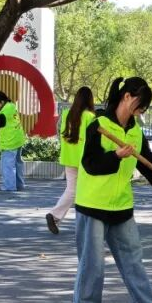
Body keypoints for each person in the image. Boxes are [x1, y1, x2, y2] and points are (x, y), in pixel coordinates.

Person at [72, 76, 152, 303]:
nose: (141, 111)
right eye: (139, 105)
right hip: (93, 203)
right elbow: (90, 164)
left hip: (121, 205)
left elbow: (150, 165)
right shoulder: (98, 124)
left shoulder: (135, 132)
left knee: (132, 259)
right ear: (127, 97)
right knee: (92, 262)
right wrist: (115, 155)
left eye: (144, 108)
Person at [47, 86, 95, 234]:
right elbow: (93, 139)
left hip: (68, 157)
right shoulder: (90, 117)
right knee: (86, 191)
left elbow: (59, 133)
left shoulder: (67, 114)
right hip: (84, 159)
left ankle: (56, 217)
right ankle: (57, 215)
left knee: (72, 189)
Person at [0, 91, 27, 192]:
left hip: (10, 142)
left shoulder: (5, 112)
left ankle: (9, 187)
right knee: (17, 164)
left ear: (2, 101)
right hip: (18, 139)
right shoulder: (11, 106)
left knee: (7, 166)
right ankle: (19, 185)